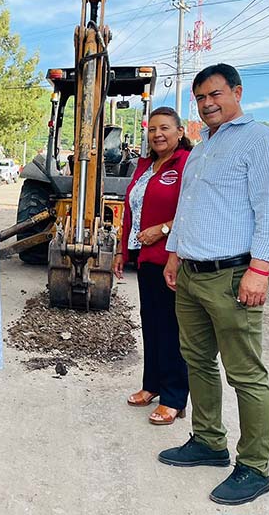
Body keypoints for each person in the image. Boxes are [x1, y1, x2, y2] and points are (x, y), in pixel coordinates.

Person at [159, 63, 269, 506]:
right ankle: (209, 442)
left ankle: (254, 466)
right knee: (197, 362)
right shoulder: (201, 148)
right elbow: (188, 209)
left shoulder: (261, 142)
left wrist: (260, 269)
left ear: (237, 92)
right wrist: (175, 254)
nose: (207, 103)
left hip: (233, 275)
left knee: (245, 374)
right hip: (193, 275)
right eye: (199, 98)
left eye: (215, 94)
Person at [114, 107, 191, 425]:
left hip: (172, 259)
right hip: (145, 259)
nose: (158, 134)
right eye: (152, 129)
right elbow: (131, 209)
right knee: (152, 323)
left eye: (165, 128)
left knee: (172, 328)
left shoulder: (186, 163)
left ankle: (174, 397)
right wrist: (122, 250)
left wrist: (163, 229)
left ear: (179, 131)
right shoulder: (145, 165)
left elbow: (193, 208)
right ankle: (152, 385)